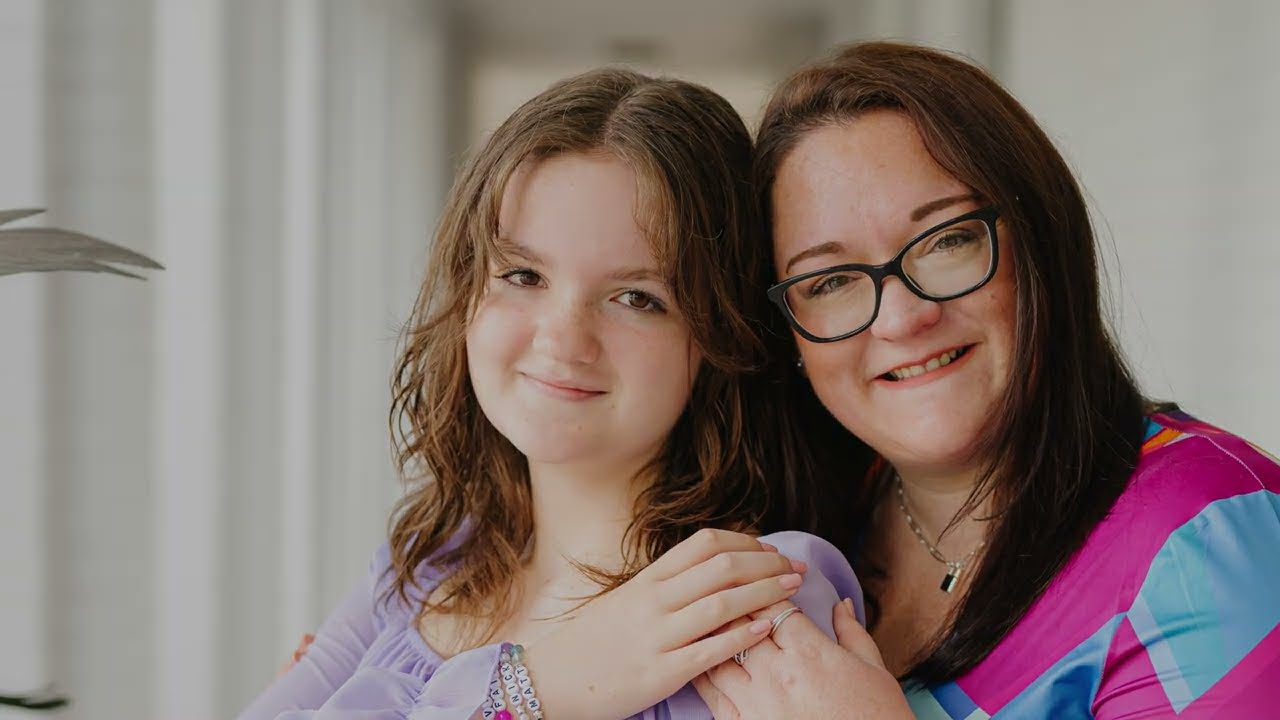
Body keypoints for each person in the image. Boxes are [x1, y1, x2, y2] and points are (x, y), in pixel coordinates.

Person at [238, 67, 861, 720]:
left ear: (721, 336)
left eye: (636, 298)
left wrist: (512, 699)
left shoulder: (748, 601)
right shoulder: (428, 564)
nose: (563, 340)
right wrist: (535, 686)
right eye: (523, 274)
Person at [692, 41, 1280, 719]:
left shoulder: (1211, 534)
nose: (903, 317)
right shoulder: (813, 528)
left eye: (947, 240)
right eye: (830, 280)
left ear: (1041, 240)